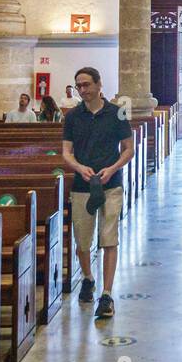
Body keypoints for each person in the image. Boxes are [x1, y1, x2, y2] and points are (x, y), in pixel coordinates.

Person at [61, 67, 134, 320]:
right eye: (79, 85)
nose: (83, 90)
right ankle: (88, 279)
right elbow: (66, 152)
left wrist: (112, 168)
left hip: (111, 183)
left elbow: (128, 149)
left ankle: (107, 294)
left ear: (99, 84)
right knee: (82, 241)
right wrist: (79, 167)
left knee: (109, 238)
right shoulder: (72, 117)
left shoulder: (117, 113)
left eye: (87, 85)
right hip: (82, 186)